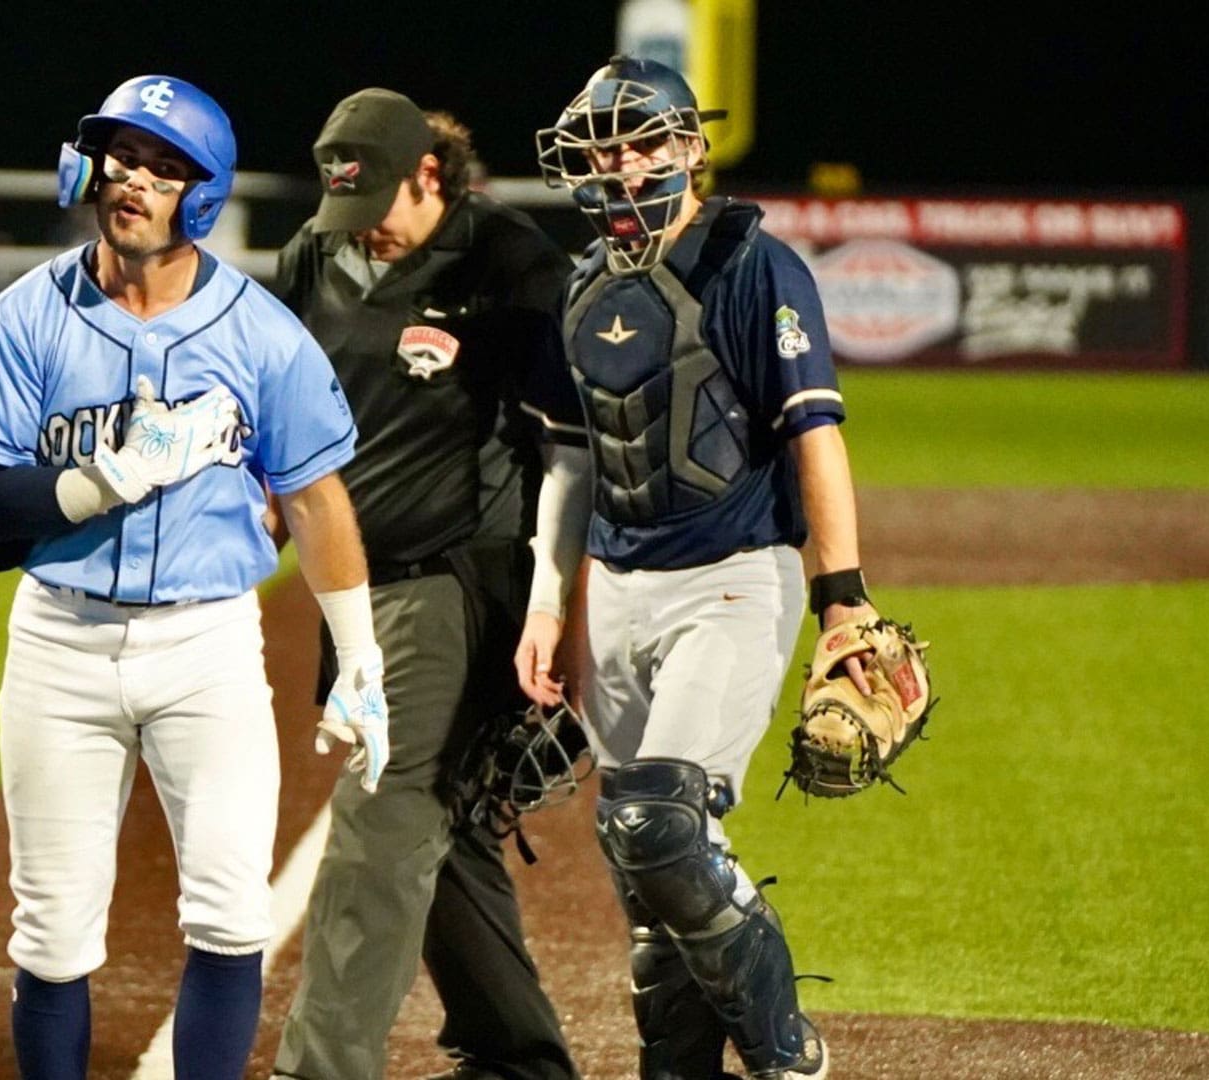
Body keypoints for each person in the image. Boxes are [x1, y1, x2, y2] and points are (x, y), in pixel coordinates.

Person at [0, 74, 390, 1080]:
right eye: (122, 159)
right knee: (53, 933)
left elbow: (318, 499)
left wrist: (358, 657)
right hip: (61, 642)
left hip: (207, 647)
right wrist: (102, 479)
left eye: (163, 167)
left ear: (202, 194)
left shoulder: (261, 332)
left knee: (232, 917)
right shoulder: (25, 318)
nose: (134, 183)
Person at [518, 56, 864, 1080]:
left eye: (639, 145)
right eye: (600, 152)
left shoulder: (757, 266)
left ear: (688, 150)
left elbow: (817, 437)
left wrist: (843, 603)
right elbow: (572, 461)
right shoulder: (580, 285)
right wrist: (550, 610)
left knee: (657, 827)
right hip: (618, 597)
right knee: (644, 888)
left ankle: (782, 1051)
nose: (619, 169)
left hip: (732, 578)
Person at [271, 90, 584, 1080]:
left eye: (381, 209)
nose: (365, 234)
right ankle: (517, 1056)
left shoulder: (511, 261)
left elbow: (579, 438)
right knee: (446, 831)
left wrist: (558, 606)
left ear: (431, 176)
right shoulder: (311, 258)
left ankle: (319, 1070)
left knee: (382, 813)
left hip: (460, 577)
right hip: (351, 594)